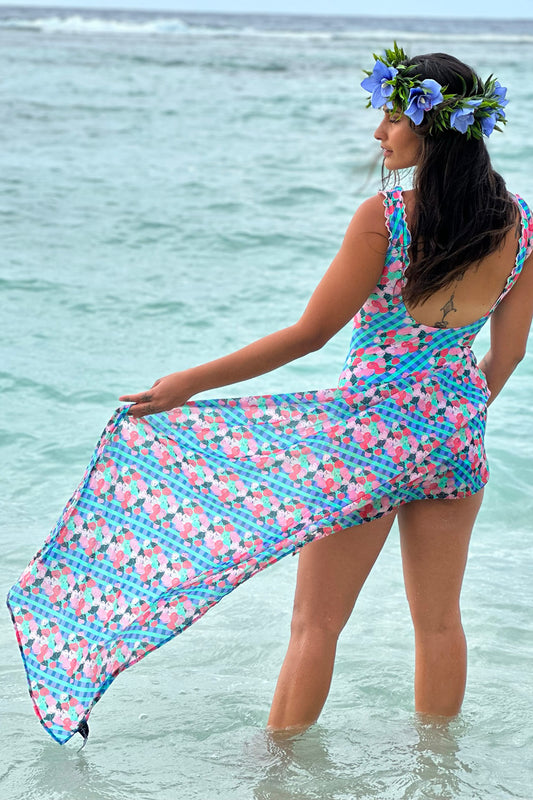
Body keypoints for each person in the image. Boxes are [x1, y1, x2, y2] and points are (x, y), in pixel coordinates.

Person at [8, 46, 533, 746]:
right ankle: (439, 776)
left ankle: (277, 780)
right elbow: (509, 352)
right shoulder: (521, 224)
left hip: (365, 443)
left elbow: (309, 335)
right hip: (453, 441)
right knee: (438, 621)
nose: (378, 133)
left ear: (427, 127)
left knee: (316, 624)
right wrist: (452, 419)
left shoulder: (384, 219)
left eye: (387, 116)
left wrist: (186, 383)